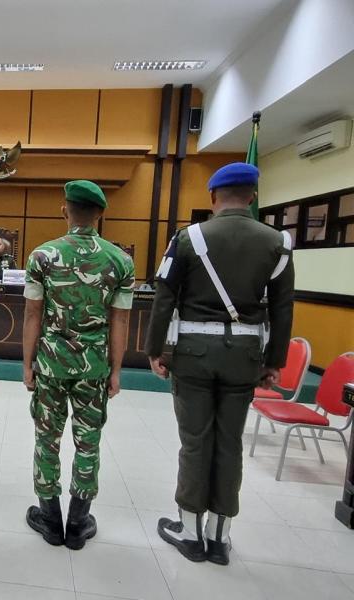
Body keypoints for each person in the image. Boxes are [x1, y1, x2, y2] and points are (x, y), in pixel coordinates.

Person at [144, 162, 294, 566]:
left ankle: (189, 531)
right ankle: (219, 537)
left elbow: (164, 297)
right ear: (253, 196)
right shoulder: (277, 241)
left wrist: (155, 349)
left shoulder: (189, 237)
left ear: (213, 196)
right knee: (229, 443)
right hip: (244, 358)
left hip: (193, 355)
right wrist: (275, 359)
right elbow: (282, 307)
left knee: (196, 441)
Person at [23, 180, 134, 550]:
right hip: (94, 367)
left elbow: (32, 315)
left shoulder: (42, 256)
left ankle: (50, 520)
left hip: (51, 365)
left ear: (64, 209)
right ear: (101, 213)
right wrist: (116, 370)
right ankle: (78, 520)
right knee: (88, 442)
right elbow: (120, 321)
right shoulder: (120, 260)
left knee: (46, 438)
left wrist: (28, 364)